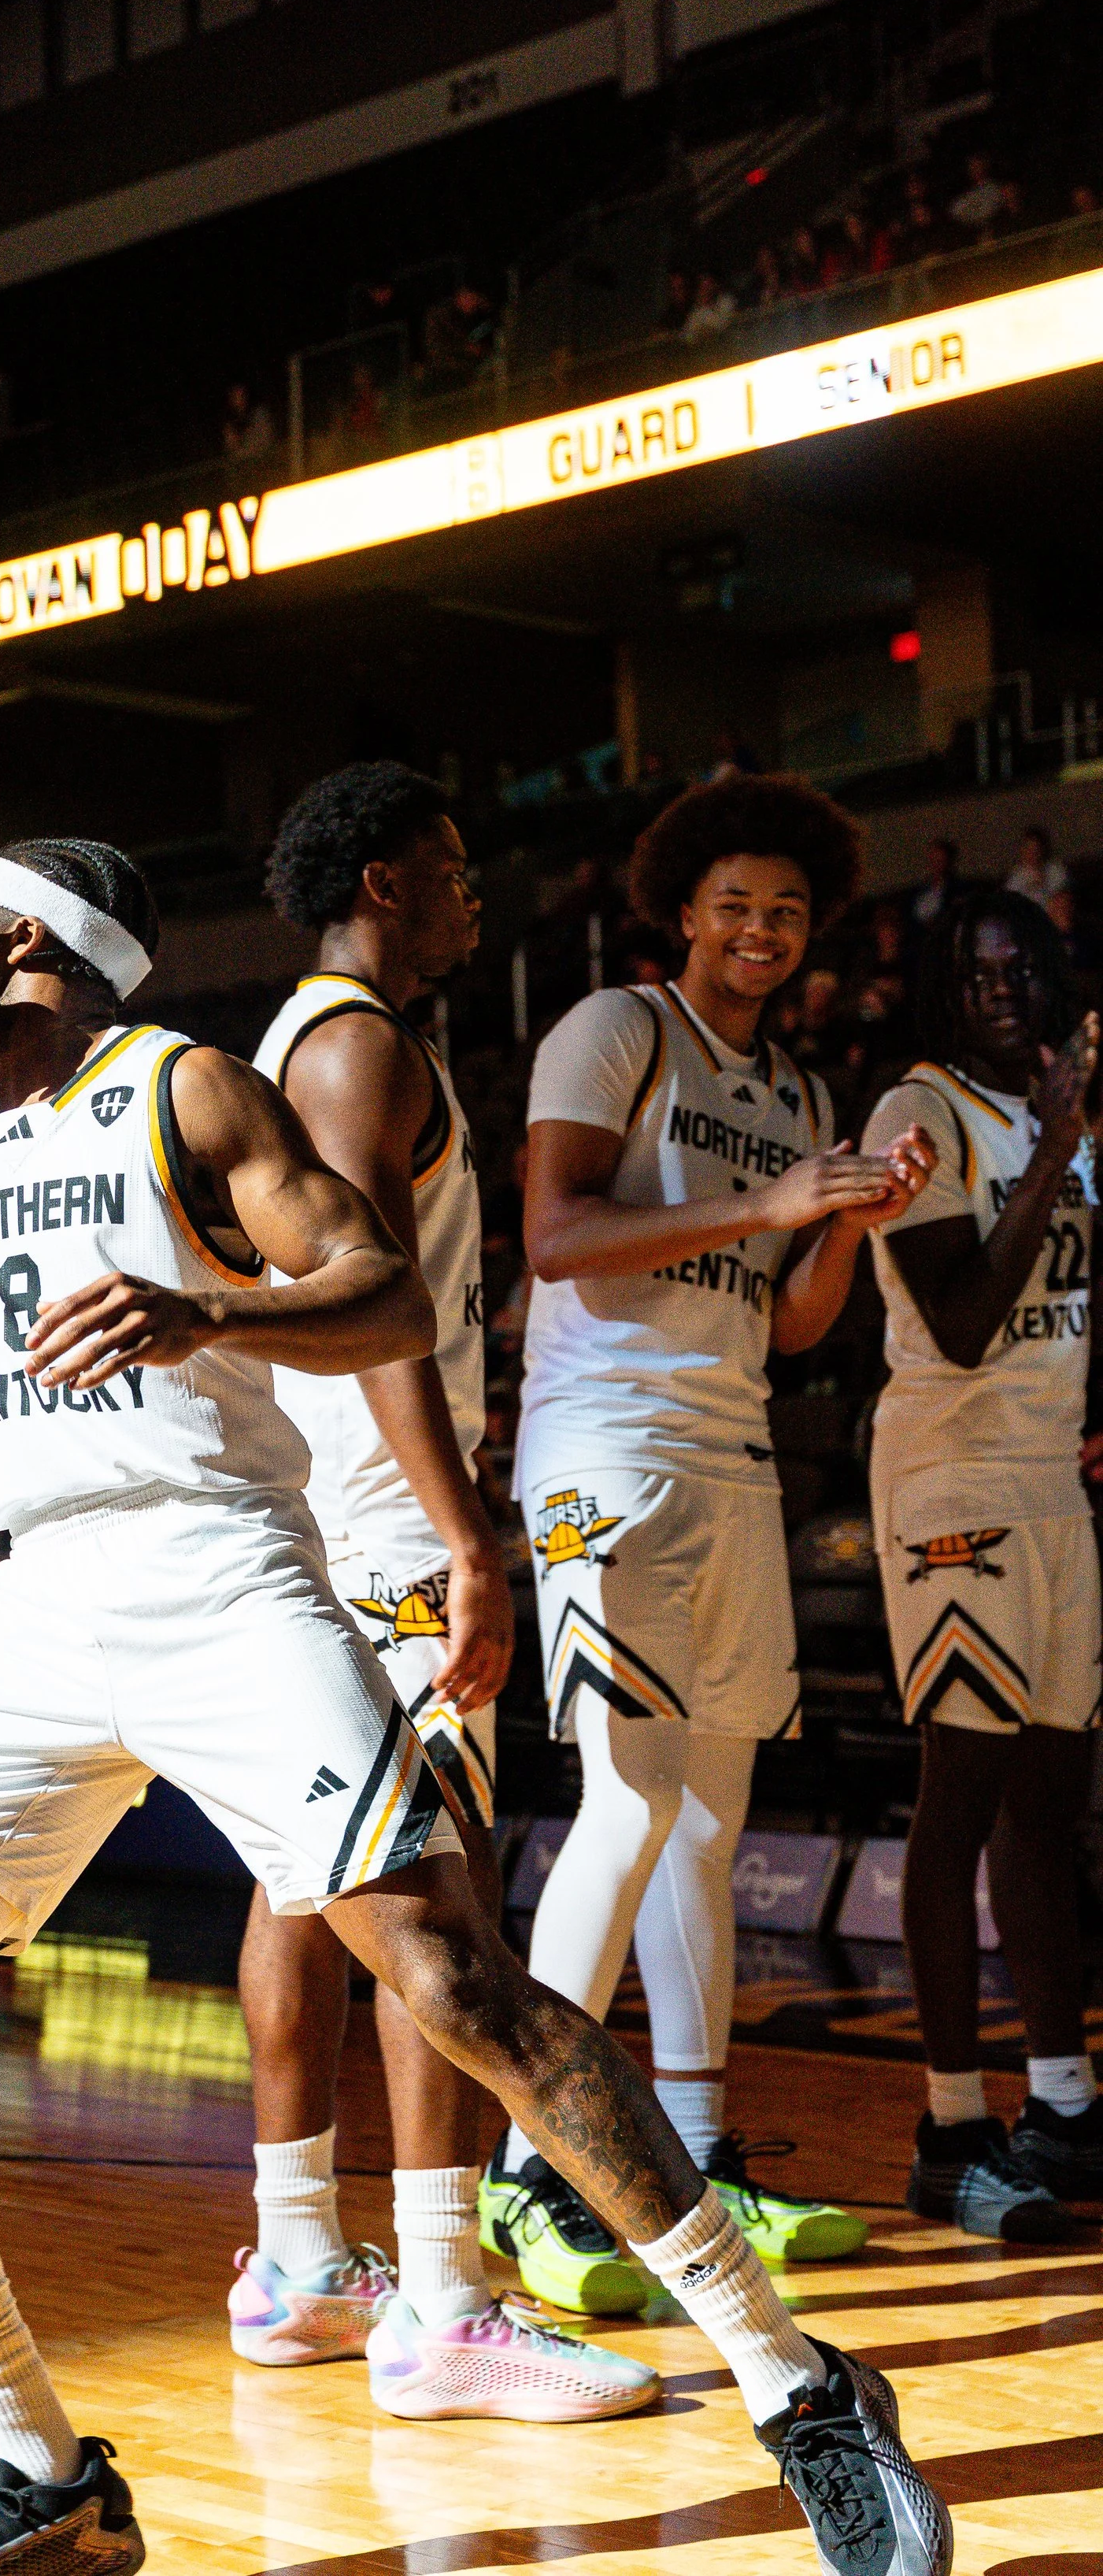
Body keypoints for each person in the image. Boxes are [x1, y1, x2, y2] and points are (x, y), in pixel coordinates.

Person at [0, 836, 949, 2576]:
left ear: (24, 936)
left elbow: (383, 1287)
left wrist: (207, 1310)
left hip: (220, 1567)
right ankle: (38, 2472)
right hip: (41, 1599)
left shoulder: (182, 1090)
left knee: (446, 1973)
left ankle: (801, 2395)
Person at [241, 765, 656, 2422]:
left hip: (318, 1504)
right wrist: (464, 1536)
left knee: (302, 1884)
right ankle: (434, 2298)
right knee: (435, 1895)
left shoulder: (290, 1040)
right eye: (449, 864)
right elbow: (381, 1308)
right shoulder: (352, 1046)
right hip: (378, 1513)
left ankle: (291, 2262)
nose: (470, 892)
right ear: (377, 881)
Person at [491, 776, 936, 2317]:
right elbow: (552, 1235)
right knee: (622, 1795)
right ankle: (532, 2163)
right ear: (679, 912)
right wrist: (770, 1197)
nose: (760, 929)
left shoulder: (800, 1096)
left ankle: (688, 2146)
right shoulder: (612, 1032)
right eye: (734, 904)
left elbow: (795, 1319)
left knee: (704, 1820)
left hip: (729, 1449)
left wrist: (842, 1218)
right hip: (592, 1453)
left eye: (786, 910)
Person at [863, 894, 1103, 2239]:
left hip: (1049, 1472)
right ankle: (952, 2127)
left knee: (1054, 1796)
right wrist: (1061, 1145)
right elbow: (958, 1323)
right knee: (959, 1787)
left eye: (1022, 967)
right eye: (973, 970)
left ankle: (1062, 2104)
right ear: (943, 991)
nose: (1001, 988)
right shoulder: (922, 1109)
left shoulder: (1065, 1116)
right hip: (951, 1476)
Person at [1005, 825, 1068, 910]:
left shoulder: (1055, 870)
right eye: (1028, 849)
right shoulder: (1017, 875)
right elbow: (1009, 902)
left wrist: (1043, 883)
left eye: (1035, 849)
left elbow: (1062, 900)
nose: (1032, 854)